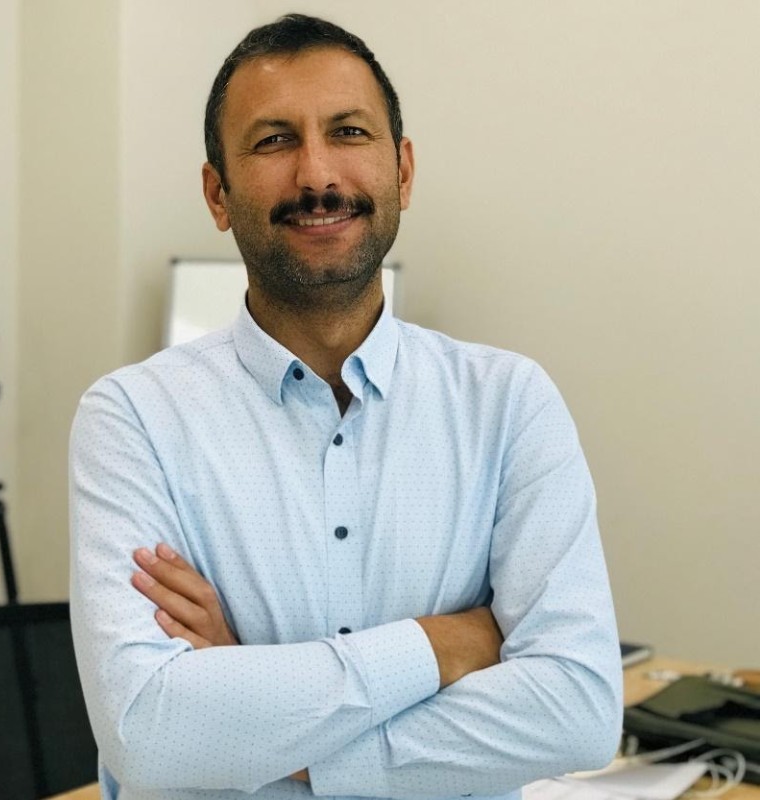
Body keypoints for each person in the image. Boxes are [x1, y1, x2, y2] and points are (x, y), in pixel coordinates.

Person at [69, 13, 622, 800]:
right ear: (218, 194)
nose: (317, 175)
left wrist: (252, 707)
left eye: (349, 132)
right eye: (274, 141)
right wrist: (442, 645)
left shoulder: (508, 404)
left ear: (403, 170)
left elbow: (577, 712)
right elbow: (150, 734)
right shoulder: (132, 419)